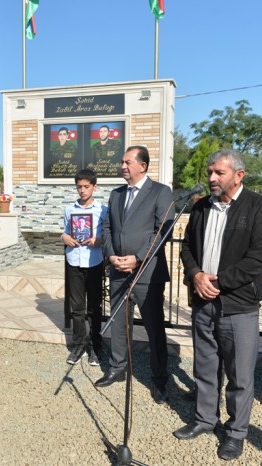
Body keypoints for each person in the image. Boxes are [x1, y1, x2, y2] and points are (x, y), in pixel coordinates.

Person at [176, 148, 262, 461]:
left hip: (238, 306)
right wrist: (195, 275)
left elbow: (257, 260)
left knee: (239, 376)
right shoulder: (202, 206)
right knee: (205, 366)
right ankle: (206, 419)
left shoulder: (259, 207)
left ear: (239, 175)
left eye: (219, 173)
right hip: (203, 300)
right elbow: (188, 247)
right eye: (210, 172)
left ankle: (235, 433)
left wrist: (216, 282)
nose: (211, 178)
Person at [97, 145, 173, 405]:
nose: (122, 166)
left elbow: (162, 230)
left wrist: (138, 257)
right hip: (118, 271)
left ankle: (159, 378)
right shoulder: (116, 194)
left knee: (154, 328)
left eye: (128, 162)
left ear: (143, 166)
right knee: (119, 325)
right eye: (122, 162)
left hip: (147, 274)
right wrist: (110, 255)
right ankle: (118, 368)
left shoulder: (161, 192)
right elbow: (107, 228)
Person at [62, 169, 107, 366]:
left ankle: (95, 347)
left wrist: (99, 240)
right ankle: (79, 345)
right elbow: (64, 232)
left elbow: (107, 236)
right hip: (74, 261)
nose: (82, 190)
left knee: (94, 308)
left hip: (94, 261)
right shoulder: (69, 209)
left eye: (86, 186)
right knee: (77, 308)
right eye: (79, 187)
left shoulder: (102, 210)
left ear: (94, 187)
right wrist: (64, 237)